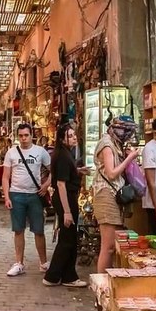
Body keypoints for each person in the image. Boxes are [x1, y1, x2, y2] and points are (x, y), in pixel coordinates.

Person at [91, 115, 140, 274]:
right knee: (108, 247)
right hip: (106, 195)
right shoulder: (107, 145)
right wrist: (130, 158)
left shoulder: (113, 144)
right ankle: (102, 286)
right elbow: (112, 174)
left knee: (111, 246)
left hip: (111, 195)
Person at [43, 123, 89, 288]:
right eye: (70, 135)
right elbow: (61, 184)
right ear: (62, 139)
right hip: (66, 199)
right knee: (67, 239)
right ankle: (52, 276)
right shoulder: (62, 155)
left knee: (69, 238)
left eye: (74, 134)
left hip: (67, 197)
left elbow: (65, 176)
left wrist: (78, 171)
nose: (74, 137)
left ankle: (69, 276)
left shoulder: (65, 153)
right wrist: (67, 212)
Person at [3, 123, 51, 277]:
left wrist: (46, 186)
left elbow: (54, 170)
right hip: (16, 194)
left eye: (26, 135)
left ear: (31, 136)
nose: (23, 139)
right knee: (18, 230)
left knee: (39, 230)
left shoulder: (40, 152)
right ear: (18, 137)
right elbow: (5, 176)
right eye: (21, 136)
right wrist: (6, 196)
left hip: (35, 195)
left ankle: (43, 263)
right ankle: (19, 263)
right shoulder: (11, 153)